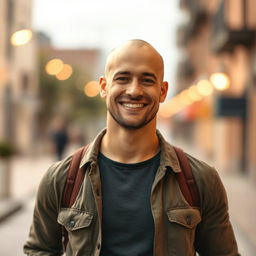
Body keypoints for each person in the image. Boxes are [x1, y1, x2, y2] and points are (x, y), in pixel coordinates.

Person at [24, 39, 240, 256]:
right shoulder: (61, 178)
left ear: (163, 91)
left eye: (147, 80)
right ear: (103, 86)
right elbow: (39, 250)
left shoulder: (200, 179)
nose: (134, 90)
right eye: (122, 78)